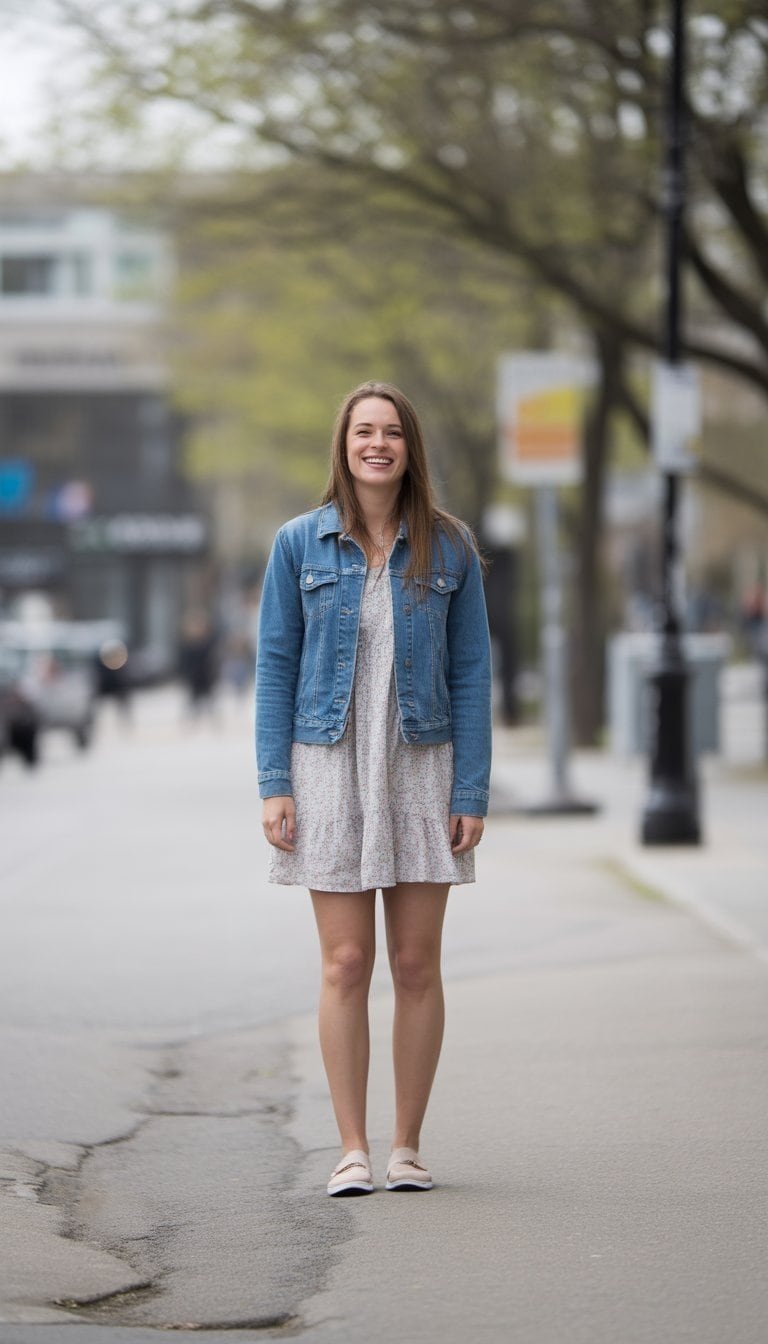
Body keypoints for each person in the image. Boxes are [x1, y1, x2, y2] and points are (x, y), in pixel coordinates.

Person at [256, 381, 492, 1196]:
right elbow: (275, 667)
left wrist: (473, 787)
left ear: (408, 447)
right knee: (346, 962)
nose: (378, 444)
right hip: (327, 761)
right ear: (344, 444)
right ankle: (352, 1147)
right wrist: (274, 783)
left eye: (391, 431)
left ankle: (408, 1147)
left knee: (417, 965)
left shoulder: (450, 547)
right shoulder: (299, 543)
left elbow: (472, 673)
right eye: (364, 431)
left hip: (422, 762)